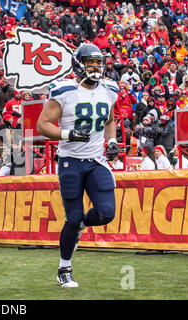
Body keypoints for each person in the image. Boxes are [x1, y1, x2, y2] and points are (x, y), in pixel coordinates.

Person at [36, 44, 119, 288]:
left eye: (98, 63)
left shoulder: (109, 89)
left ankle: (82, 225)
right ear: (78, 65)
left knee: (106, 212)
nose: (96, 67)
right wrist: (68, 134)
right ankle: (64, 269)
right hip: (70, 162)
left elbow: (110, 119)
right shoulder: (64, 90)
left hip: (96, 161)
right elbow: (43, 125)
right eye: (90, 63)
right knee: (72, 217)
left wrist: (111, 140)